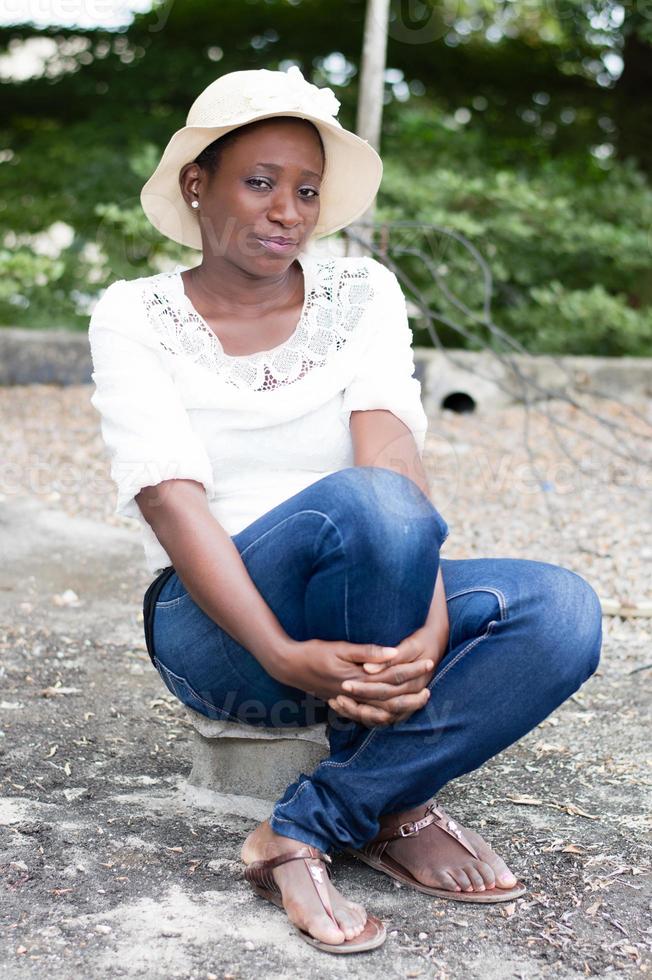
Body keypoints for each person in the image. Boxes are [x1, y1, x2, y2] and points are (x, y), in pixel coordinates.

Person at [88, 66, 603, 955]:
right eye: (259, 182)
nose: (288, 209)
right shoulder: (135, 314)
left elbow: (396, 462)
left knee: (562, 611)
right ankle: (400, 805)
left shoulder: (363, 295)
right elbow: (173, 501)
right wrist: (282, 650)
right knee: (362, 508)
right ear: (196, 183)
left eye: (308, 190)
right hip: (220, 634)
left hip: (369, 598)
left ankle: (314, 825)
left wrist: (429, 636)